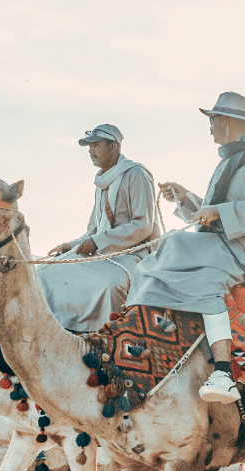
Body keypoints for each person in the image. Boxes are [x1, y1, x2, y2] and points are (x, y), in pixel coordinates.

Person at [127, 91, 245, 403]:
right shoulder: (231, 160)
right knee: (156, 257)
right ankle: (154, 332)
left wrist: (220, 212)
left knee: (195, 269)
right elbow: (211, 213)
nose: (210, 126)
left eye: (213, 119)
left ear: (228, 121)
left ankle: (223, 372)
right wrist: (186, 198)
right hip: (224, 243)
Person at [43, 124, 160, 332]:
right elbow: (94, 230)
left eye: (95, 145)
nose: (90, 151)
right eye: (89, 146)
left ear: (113, 146)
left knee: (110, 285)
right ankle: (61, 332)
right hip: (102, 252)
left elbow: (143, 225)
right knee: (47, 272)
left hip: (133, 253)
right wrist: (72, 244)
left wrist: (98, 241)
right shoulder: (102, 183)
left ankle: (106, 340)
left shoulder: (137, 174)